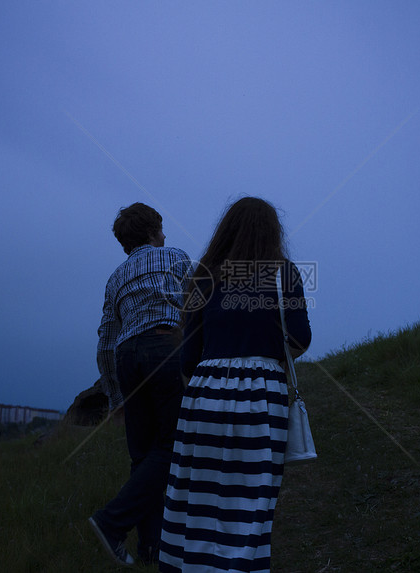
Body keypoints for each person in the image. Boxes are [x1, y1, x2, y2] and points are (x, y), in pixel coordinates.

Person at [159, 197, 312, 573]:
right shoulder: (284, 274)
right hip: (263, 396)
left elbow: (188, 357)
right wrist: (264, 356)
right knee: (252, 501)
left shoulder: (203, 276)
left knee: (198, 500)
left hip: (205, 392)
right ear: (272, 232)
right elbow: (300, 338)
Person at [89, 202, 191, 566]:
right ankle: (110, 522)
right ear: (151, 232)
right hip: (164, 346)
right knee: (173, 447)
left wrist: (115, 395)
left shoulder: (115, 278)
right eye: (161, 229)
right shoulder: (176, 257)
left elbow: (105, 341)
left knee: (143, 455)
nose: (165, 236)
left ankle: (152, 549)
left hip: (127, 355)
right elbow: (199, 308)